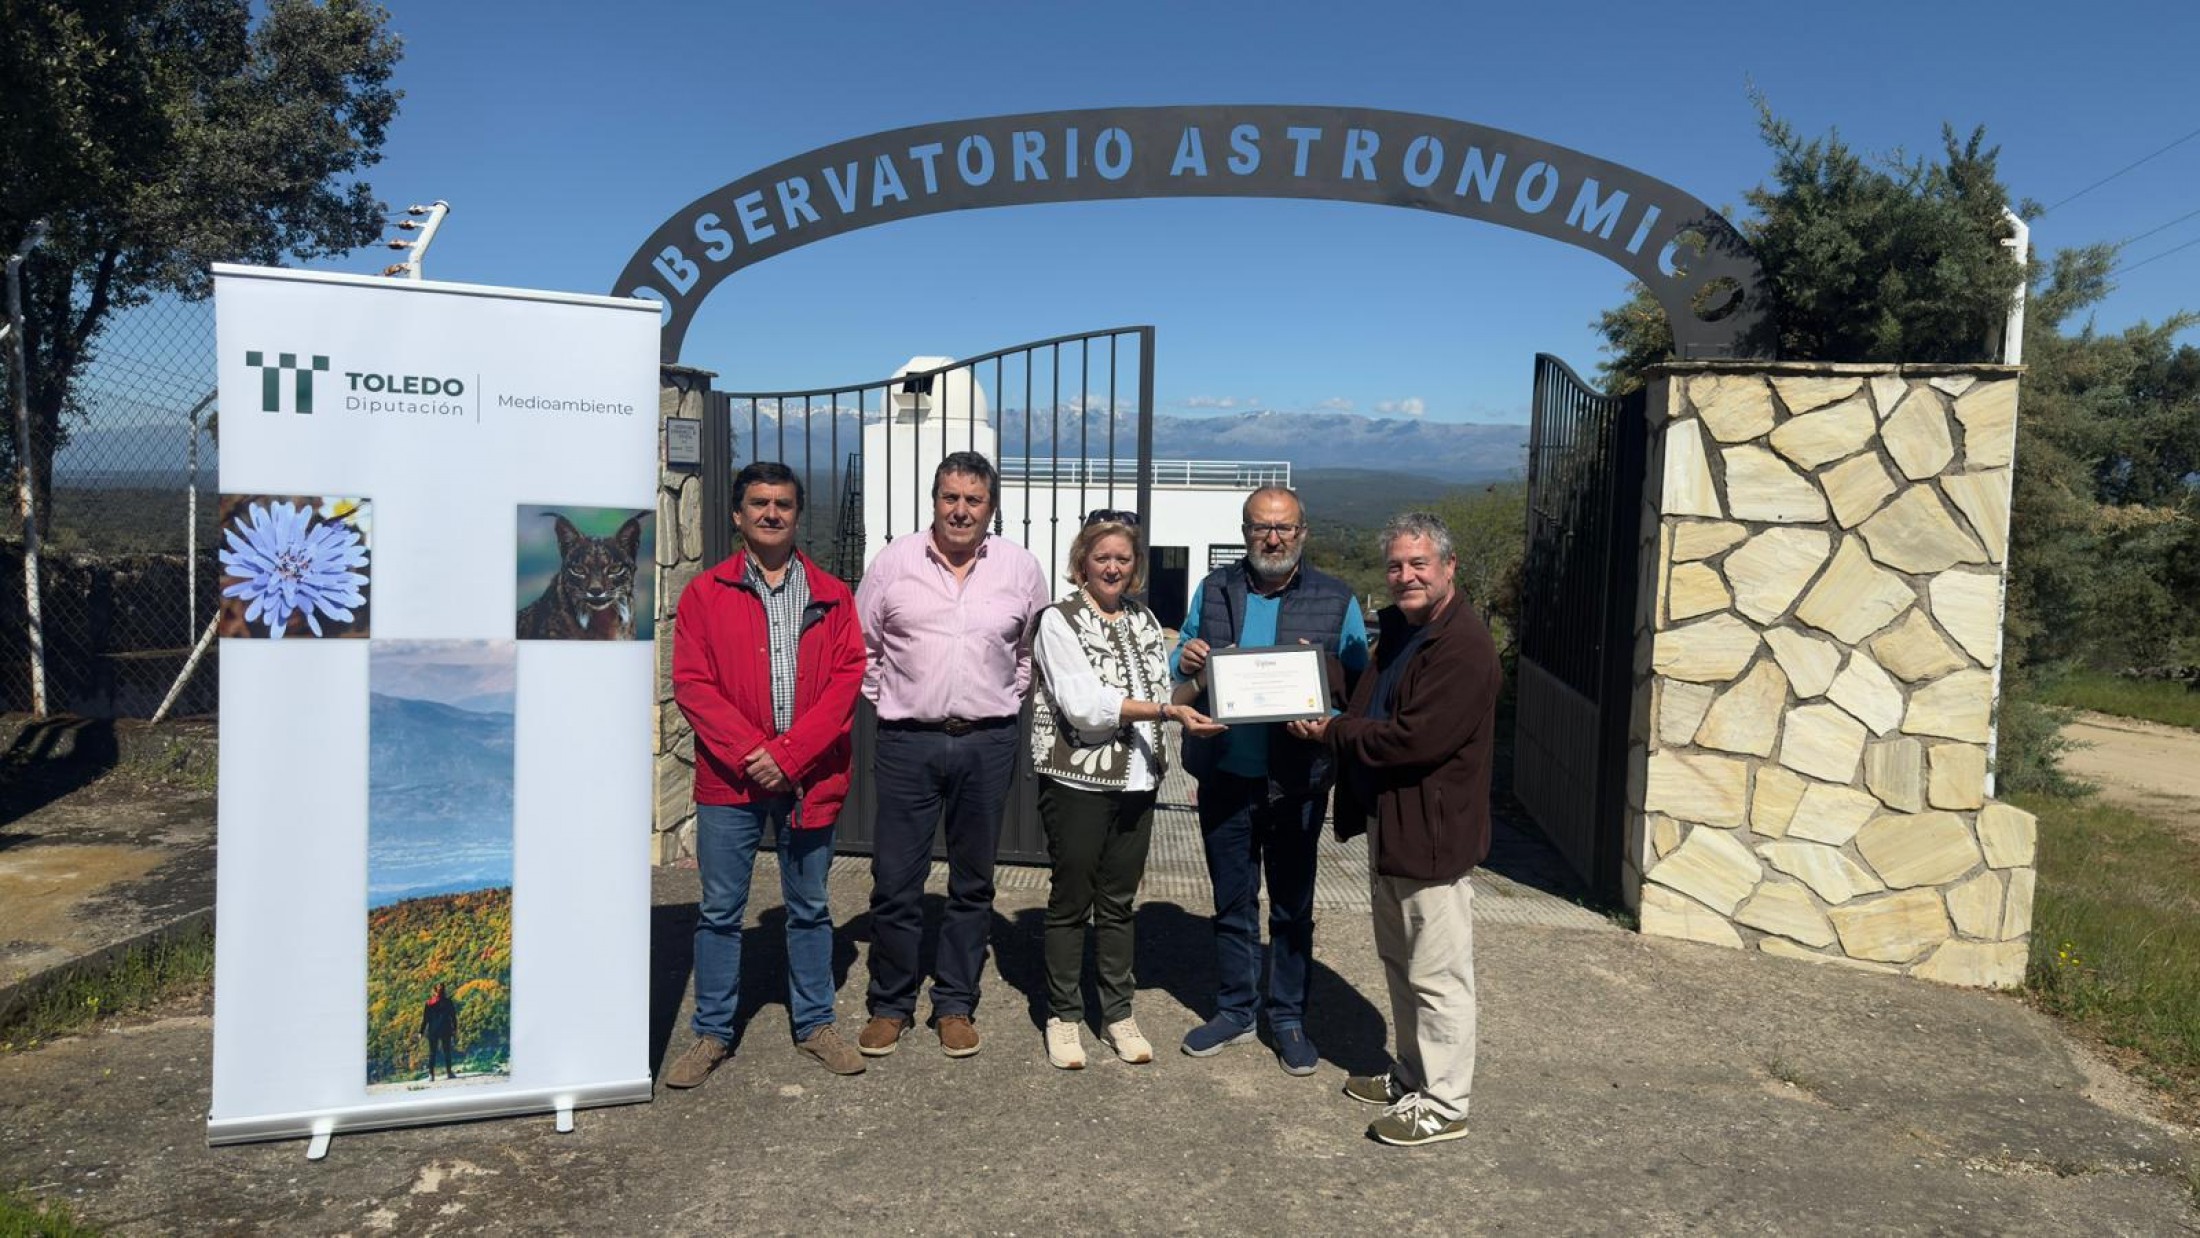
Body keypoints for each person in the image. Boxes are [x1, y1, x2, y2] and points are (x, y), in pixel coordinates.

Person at [1289, 512, 1497, 1147]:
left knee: (1438, 973)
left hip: (1433, 833)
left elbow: (1413, 739)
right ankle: (1412, 1074)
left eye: (1419, 564)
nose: (1406, 575)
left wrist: (1331, 732)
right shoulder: (1408, 630)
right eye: (1397, 566)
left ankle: (1445, 1101)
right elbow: (1371, 700)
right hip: (1396, 824)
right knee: (1402, 961)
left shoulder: (1462, 646)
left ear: (1448, 568)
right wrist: (1315, 671)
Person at [666, 460, 869, 1086]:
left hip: (809, 778)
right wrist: (753, 751)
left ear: (797, 514)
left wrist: (789, 756)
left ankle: (814, 1024)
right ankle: (712, 1033)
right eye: (759, 503)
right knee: (721, 910)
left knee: (809, 906)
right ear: (737, 514)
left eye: (783, 503)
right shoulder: (705, 594)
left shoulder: (833, 596)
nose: (771, 513)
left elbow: (846, 681)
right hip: (731, 782)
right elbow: (692, 684)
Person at [855, 451, 1050, 1059]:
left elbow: (1028, 652)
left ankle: (955, 1004)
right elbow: (865, 647)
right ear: (933, 500)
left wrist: (1000, 703)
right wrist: (896, 701)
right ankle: (891, 1004)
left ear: (992, 507)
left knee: (973, 882)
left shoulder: (1020, 568)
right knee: (895, 879)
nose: (960, 510)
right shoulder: (893, 563)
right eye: (950, 497)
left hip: (987, 742)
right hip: (908, 742)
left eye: (974, 499)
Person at [1172, 485, 1368, 1074]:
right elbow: (1182, 653)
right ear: (1245, 532)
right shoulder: (1214, 590)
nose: (1273, 539)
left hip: (1298, 780)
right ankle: (1235, 1008)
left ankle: (1286, 1017)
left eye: (1284, 528)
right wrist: (1186, 661)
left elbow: (1359, 692)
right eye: (1261, 528)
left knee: (1291, 908)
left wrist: (1327, 722)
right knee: (1232, 902)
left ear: (1303, 531)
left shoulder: (1337, 599)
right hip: (1226, 773)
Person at [1029, 510, 1226, 1069]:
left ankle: (1117, 1012)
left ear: (1135, 566)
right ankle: (1064, 1016)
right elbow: (1086, 707)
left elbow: (1169, 690)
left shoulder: (1143, 619)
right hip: (1078, 780)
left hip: (1138, 777)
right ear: (1081, 563)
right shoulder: (1058, 620)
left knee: (1118, 903)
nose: (1113, 567)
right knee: (1072, 901)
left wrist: (1208, 679)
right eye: (1102, 558)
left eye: (1123, 559)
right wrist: (1169, 709)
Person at [421, 982, 459, 1080]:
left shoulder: (429, 1003)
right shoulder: (448, 1002)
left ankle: (431, 1075)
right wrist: (455, 1028)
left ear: (434, 991)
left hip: (433, 1030)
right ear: (444, 991)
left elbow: (425, 1019)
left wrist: (421, 1031)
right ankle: (449, 1073)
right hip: (446, 1029)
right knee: (447, 1051)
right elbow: (453, 1017)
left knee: (432, 1053)